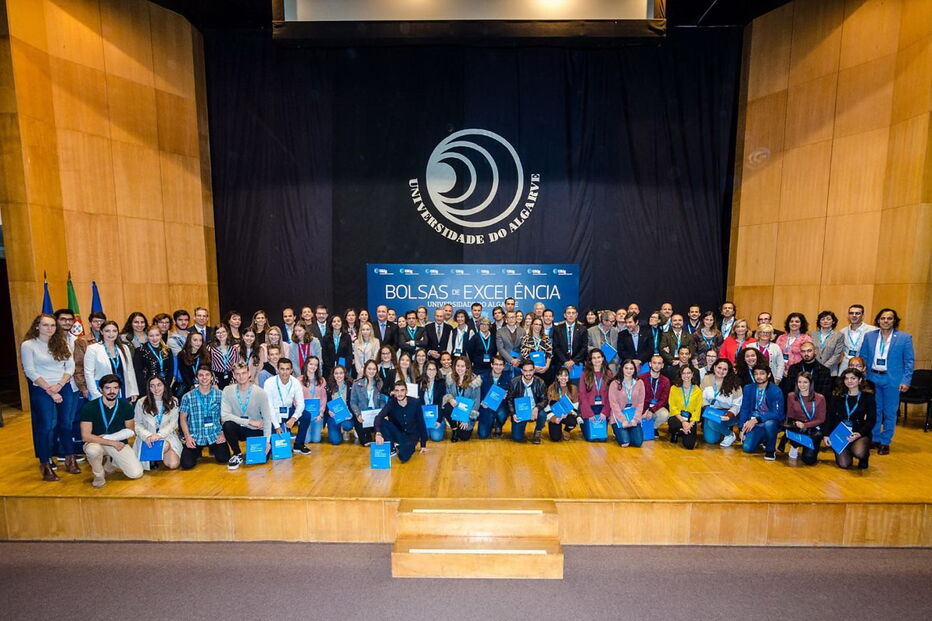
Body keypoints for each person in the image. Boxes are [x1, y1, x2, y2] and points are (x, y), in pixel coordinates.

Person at [22, 313, 78, 480]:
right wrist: (50, 390)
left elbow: (70, 367)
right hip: (41, 389)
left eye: (53, 325)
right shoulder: (28, 345)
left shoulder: (62, 343)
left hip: (63, 386)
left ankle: (70, 458)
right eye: (46, 325)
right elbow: (30, 371)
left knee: (66, 424)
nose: (50, 328)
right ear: (37, 326)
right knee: (46, 426)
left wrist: (60, 385)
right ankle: (45, 463)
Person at [859, 308, 914, 455]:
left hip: (893, 379)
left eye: (889, 318)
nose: (886, 321)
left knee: (889, 412)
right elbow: (863, 356)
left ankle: (885, 441)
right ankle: (875, 438)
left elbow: (909, 361)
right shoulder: (869, 336)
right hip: (872, 378)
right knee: (874, 410)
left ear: (894, 321)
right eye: (883, 318)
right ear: (878, 320)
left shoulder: (904, 338)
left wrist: (906, 380)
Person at [80, 375, 144, 487]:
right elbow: (85, 436)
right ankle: (99, 475)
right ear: (101, 389)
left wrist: (109, 439)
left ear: (119, 389)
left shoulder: (126, 406)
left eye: (115, 388)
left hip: (117, 443)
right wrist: (111, 442)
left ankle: (112, 462)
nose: (112, 391)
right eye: (108, 388)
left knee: (136, 474)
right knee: (92, 451)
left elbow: (130, 431)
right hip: (96, 443)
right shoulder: (89, 407)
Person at [221, 362, 275, 470]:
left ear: (249, 373)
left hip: (256, 429)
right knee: (227, 425)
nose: (241, 376)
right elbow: (225, 415)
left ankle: (264, 444)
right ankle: (237, 454)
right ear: (234, 375)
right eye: (238, 374)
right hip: (240, 428)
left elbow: (267, 418)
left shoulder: (260, 392)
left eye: (244, 373)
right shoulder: (227, 390)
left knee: (263, 459)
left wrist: (267, 442)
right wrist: (248, 421)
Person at [179, 365, 230, 469]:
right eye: (201, 375)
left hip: (214, 435)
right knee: (186, 464)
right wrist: (188, 437)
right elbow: (183, 419)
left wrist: (223, 433)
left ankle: (212, 449)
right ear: (196, 378)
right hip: (195, 436)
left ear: (212, 377)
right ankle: (197, 451)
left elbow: (225, 416)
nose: (204, 378)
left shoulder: (220, 395)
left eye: (207, 375)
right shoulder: (187, 397)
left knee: (224, 459)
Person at [827, 368, 875, 469]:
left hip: (859, 432)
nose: (849, 381)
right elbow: (830, 416)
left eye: (853, 378)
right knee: (844, 465)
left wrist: (860, 433)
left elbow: (871, 419)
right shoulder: (837, 395)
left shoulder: (868, 397)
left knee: (859, 452)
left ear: (860, 380)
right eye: (846, 378)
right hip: (841, 433)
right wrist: (826, 434)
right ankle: (848, 448)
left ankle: (864, 457)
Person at [133, 375, 181, 470]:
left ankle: (154, 455)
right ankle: (153, 456)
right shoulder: (141, 402)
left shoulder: (173, 401)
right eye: (152, 386)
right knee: (164, 445)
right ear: (149, 388)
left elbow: (173, 424)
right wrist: (147, 436)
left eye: (159, 385)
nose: (156, 388)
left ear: (164, 386)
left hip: (166, 435)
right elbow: (137, 424)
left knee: (173, 464)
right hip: (147, 438)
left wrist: (159, 435)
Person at [84, 320, 139, 401]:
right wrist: (95, 393)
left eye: (114, 331)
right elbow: (88, 374)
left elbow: (130, 370)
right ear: (101, 332)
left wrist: (133, 391)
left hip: (122, 388)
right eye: (107, 331)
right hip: (103, 390)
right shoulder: (93, 349)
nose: (111, 334)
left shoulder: (124, 348)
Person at [374, 382, 429, 463]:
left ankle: (402, 446)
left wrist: (423, 445)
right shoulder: (391, 403)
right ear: (394, 392)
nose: (399, 393)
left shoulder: (416, 402)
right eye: (397, 391)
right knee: (381, 421)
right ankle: (392, 447)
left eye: (402, 390)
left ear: (406, 391)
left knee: (403, 457)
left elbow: (421, 422)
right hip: (398, 433)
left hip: (411, 436)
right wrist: (378, 433)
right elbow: (379, 417)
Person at [738, 364, 784, 461]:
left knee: (770, 423)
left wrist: (757, 419)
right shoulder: (748, 388)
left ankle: (770, 450)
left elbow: (777, 413)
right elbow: (745, 409)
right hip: (753, 422)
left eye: (762, 374)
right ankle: (764, 437)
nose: (758, 376)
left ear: (768, 375)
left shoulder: (776, 390)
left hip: (768, 420)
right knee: (747, 448)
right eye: (756, 374)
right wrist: (741, 428)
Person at [264, 357, 307, 452]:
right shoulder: (269, 383)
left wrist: (294, 418)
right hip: (273, 415)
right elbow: (269, 407)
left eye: (287, 369)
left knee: (306, 415)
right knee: (274, 450)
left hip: (287, 412)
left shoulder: (295, 382)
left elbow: (301, 404)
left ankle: (298, 445)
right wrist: (277, 426)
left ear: (291, 370)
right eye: (282, 369)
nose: (285, 372)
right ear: (277, 369)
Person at [784, 372, 826, 465]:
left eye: (805, 382)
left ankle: (809, 446)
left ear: (811, 383)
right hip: (798, 427)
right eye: (799, 382)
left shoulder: (820, 398)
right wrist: (796, 425)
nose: (802, 385)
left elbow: (821, 419)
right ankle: (795, 445)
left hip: (813, 427)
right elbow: (790, 416)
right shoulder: (791, 396)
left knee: (809, 460)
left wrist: (806, 425)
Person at [701, 359, 744, 447]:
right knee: (711, 440)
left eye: (725, 369)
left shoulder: (735, 383)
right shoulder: (707, 378)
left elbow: (737, 404)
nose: (721, 371)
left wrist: (729, 415)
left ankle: (729, 434)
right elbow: (702, 396)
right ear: (714, 367)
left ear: (728, 371)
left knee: (712, 422)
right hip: (711, 411)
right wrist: (706, 408)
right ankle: (721, 430)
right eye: (719, 368)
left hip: (728, 413)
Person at [442, 355, 482, 442]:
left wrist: (466, 419)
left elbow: (476, 402)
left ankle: (460, 424)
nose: (459, 368)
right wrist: (450, 399)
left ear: (467, 367)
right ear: (454, 366)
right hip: (455, 408)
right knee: (446, 407)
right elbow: (447, 393)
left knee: (464, 437)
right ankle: (454, 429)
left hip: (467, 413)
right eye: (458, 366)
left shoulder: (475, 381)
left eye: (462, 366)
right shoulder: (450, 378)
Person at [507, 359, 548, 444]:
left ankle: (538, 431)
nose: (528, 373)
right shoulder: (514, 382)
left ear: (534, 370)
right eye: (525, 371)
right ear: (521, 371)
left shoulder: (540, 382)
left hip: (534, 410)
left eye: (530, 370)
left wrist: (537, 408)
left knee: (542, 414)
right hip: (520, 412)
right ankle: (522, 425)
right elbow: (510, 400)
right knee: (517, 438)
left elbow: (544, 399)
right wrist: (513, 413)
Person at [608, 359, 645, 447]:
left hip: (633, 416)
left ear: (634, 370)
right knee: (625, 443)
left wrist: (635, 419)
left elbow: (640, 403)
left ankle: (628, 431)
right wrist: (623, 420)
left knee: (638, 443)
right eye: (626, 368)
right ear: (622, 369)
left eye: (631, 369)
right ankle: (617, 430)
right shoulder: (614, 383)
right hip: (618, 416)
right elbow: (613, 404)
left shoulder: (639, 383)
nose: (629, 371)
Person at [350, 360, 387, 446]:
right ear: (365, 369)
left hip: (376, 414)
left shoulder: (380, 383)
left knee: (383, 439)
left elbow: (382, 400)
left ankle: (374, 430)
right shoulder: (356, 384)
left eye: (374, 369)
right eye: (369, 369)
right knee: (366, 442)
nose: (371, 371)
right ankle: (361, 430)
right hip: (363, 416)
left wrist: (381, 413)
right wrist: (358, 414)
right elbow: (353, 402)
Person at [577, 349, 612, 442]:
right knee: (590, 438)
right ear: (590, 360)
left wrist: (605, 412)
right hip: (589, 408)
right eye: (594, 358)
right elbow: (582, 395)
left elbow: (610, 395)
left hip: (603, 408)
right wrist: (589, 413)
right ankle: (582, 423)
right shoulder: (585, 374)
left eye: (599, 357)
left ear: (603, 358)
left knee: (602, 438)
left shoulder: (608, 373)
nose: (597, 360)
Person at [667, 366, 702, 449]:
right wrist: (683, 422)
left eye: (688, 373)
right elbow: (672, 407)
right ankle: (676, 432)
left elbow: (697, 410)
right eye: (684, 373)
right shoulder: (674, 388)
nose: (686, 375)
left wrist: (690, 424)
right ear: (680, 374)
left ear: (692, 374)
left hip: (690, 420)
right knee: (672, 422)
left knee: (689, 446)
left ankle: (684, 432)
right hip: (677, 418)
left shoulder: (698, 390)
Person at [295, 357, 326, 449]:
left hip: (317, 415)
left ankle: (314, 426)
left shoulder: (322, 380)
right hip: (304, 414)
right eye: (311, 364)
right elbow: (295, 399)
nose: (313, 367)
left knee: (316, 439)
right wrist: (301, 412)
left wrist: (321, 413)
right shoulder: (298, 380)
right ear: (306, 365)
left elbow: (324, 398)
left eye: (316, 365)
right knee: (306, 440)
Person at [133, 324, 175, 392]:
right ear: (147, 336)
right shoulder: (140, 351)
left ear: (161, 335)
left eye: (157, 335)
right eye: (151, 336)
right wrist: (147, 388)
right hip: (148, 387)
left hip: (165, 386)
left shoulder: (167, 350)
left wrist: (165, 386)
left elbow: (170, 370)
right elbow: (138, 372)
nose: (154, 338)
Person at [476, 355, 510, 439]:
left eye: (500, 365)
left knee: (502, 414)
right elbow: (477, 393)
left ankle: (498, 424)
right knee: (483, 435)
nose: (498, 367)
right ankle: (491, 423)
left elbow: (511, 395)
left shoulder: (508, 378)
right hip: (485, 406)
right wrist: (481, 402)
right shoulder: (483, 377)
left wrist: (507, 395)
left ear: (504, 366)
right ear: (492, 365)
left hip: (501, 406)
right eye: (496, 364)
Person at [551, 306, 588, 380]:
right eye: (568, 313)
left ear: (576, 315)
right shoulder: (557, 329)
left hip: (577, 363)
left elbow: (584, 347)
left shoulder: (583, 329)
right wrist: (565, 361)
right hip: (561, 363)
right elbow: (556, 347)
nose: (571, 315)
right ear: (565, 315)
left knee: (576, 388)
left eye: (573, 313)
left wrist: (573, 361)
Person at [640, 354, 672, 436]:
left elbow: (663, 401)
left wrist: (651, 410)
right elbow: (638, 397)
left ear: (662, 365)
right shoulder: (641, 378)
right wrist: (644, 410)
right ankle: (641, 426)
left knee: (665, 414)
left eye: (659, 363)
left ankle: (653, 428)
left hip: (656, 408)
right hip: (642, 408)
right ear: (650, 364)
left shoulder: (666, 381)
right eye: (654, 363)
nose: (656, 365)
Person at [838, 304, 876, 372]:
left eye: (857, 313)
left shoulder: (872, 331)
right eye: (851, 313)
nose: (854, 315)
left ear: (863, 315)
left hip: (863, 367)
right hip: (845, 367)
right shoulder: (842, 331)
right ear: (848, 315)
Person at [545, 367, 579, 441]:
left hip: (568, 414)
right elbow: (547, 406)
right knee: (555, 438)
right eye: (561, 375)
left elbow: (576, 405)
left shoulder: (573, 388)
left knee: (572, 422)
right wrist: (553, 418)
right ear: (557, 377)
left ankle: (567, 430)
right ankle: (556, 427)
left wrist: (569, 412)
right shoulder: (551, 388)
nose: (563, 378)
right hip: (556, 415)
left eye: (566, 375)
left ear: (568, 377)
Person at [324, 364, 354, 444]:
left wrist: (351, 413)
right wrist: (328, 411)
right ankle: (337, 429)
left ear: (345, 374)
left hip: (346, 415)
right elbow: (325, 402)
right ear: (333, 375)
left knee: (347, 426)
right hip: (334, 416)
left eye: (341, 373)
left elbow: (354, 402)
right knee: (335, 441)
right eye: (336, 373)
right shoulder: (329, 387)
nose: (339, 375)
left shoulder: (351, 386)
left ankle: (345, 430)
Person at [418, 360, 446, 442]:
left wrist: (439, 420)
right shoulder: (419, 382)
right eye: (429, 369)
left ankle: (440, 424)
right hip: (423, 415)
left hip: (436, 416)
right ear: (425, 370)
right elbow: (416, 403)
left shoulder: (441, 383)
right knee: (422, 438)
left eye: (434, 369)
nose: (431, 372)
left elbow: (442, 403)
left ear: (437, 371)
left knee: (436, 438)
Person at [520, 317, 554, 383]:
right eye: (536, 324)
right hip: (530, 371)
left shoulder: (546, 338)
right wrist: (533, 367)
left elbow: (549, 354)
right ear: (532, 325)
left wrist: (547, 366)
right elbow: (524, 354)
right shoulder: (525, 338)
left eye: (540, 325)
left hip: (544, 370)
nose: (538, 326)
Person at [175, 331, 206, 398]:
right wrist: (192, 387)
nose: (198, 343)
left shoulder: (205, 354)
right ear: (189, 341)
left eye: (200, 340)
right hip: (187, 387)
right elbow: (184, 374)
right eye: (195, 340)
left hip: (203, 385)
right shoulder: (182, 355)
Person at [496, 310, 525, 382]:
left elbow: (524, 348)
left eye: (513, 317)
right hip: (506, 364)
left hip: (519, 364)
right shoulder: (500, 331)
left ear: (516, 319)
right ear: (506, 320)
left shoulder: (522, 331)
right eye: (509, 318)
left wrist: (518, 360)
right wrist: (511, 360)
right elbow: (500, 348)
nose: (511, 319)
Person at [813, 310, 845, 375]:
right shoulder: (812, 334)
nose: (825, 321)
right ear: (819, 322)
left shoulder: (839, 335)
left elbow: (837, 355)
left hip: (830, 371)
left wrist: (823, 367)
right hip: (813, 369)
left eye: (828, 319)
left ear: (833, 321)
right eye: (822, 319)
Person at [208, 324, 239, 389]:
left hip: (231, 378)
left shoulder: (233, 349)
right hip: (216, 378)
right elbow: (208, 367)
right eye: (218, 332)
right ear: (215, 335)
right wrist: (213, 382)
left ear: (227, 332)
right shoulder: (210, 348)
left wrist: (234, 381)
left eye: (223, 332)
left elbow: (236, 366)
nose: (221, 334)